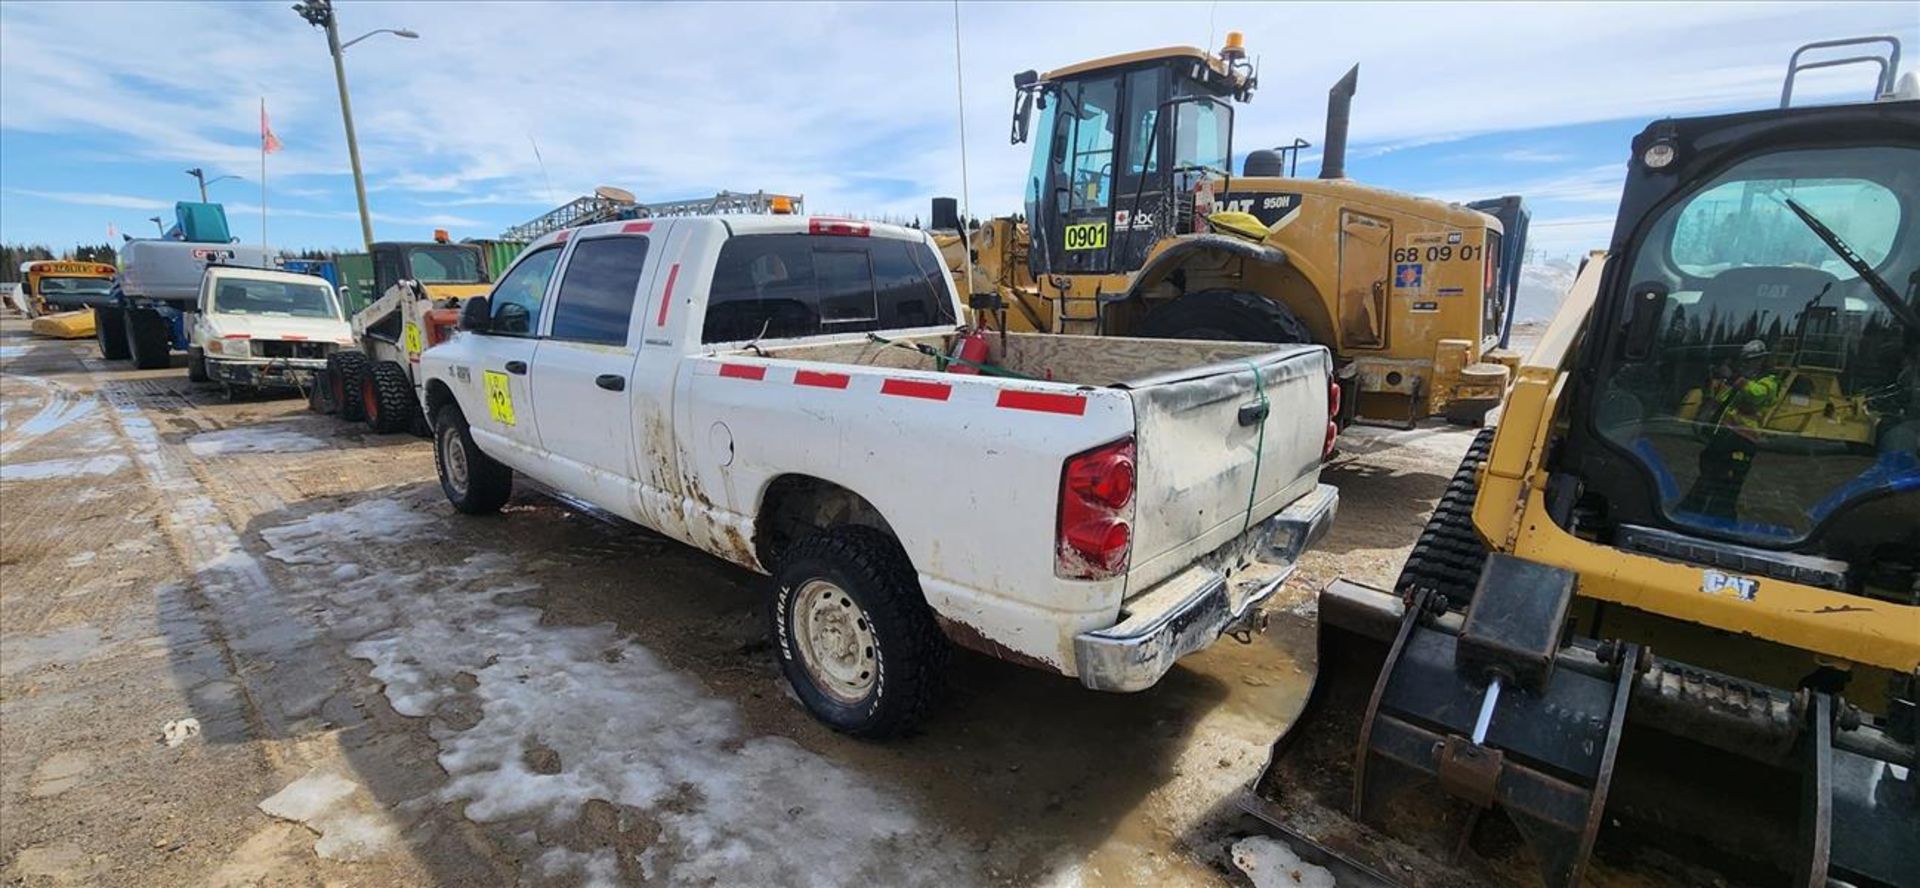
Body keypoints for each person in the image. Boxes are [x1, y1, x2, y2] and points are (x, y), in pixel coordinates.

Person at [1681, 339, 1782, 520]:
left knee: (1729, 486)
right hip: (1724, 437)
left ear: (1761, 361)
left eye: (1751, 360)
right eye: (1744, 361)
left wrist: (1734, 377)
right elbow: (1721, 402)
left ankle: (1720, 520)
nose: (1746, 364)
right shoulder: (1740, 382)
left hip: (1744, 441)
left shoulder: (1769, 381)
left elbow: (1756, 395)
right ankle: (1690, 513)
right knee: (1707, 476)